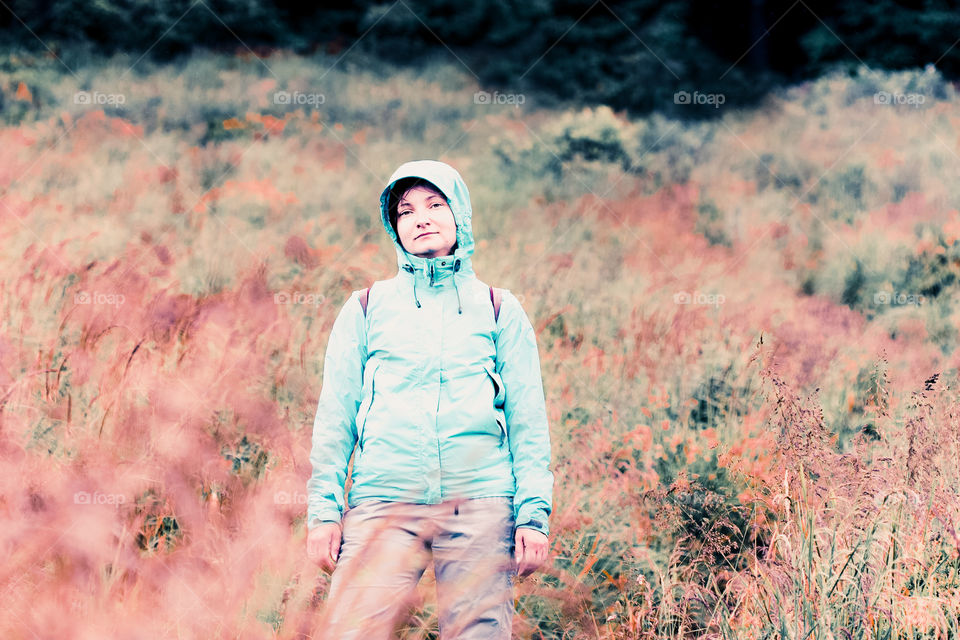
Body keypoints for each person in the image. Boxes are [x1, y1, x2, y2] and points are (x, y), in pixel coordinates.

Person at [306, 160, 554, 639]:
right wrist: (323, 514)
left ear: (458, 213)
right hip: (384, 504)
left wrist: (533, 516)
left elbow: (529, 422)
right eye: (406, 210)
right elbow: (335, 418)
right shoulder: (365, 307)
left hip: (481, 504)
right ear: (394, 227)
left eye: (435, 204)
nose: (420, 218)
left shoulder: (499, 308)